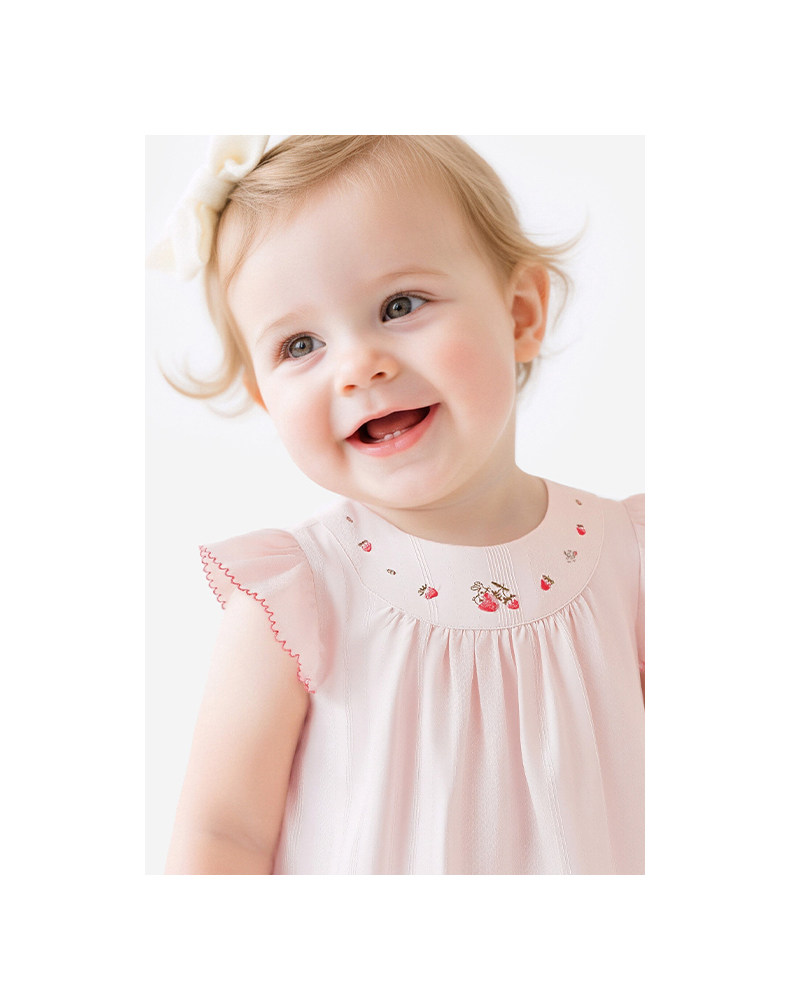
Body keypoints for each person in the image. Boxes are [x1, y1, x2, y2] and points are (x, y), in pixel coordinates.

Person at [150, 135, 644, 875]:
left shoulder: (632, 560)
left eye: (399, 305)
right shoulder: (295, 599)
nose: (358, 367)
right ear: (264, 396)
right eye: (299, 345)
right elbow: (224, 834)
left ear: (520, 314)